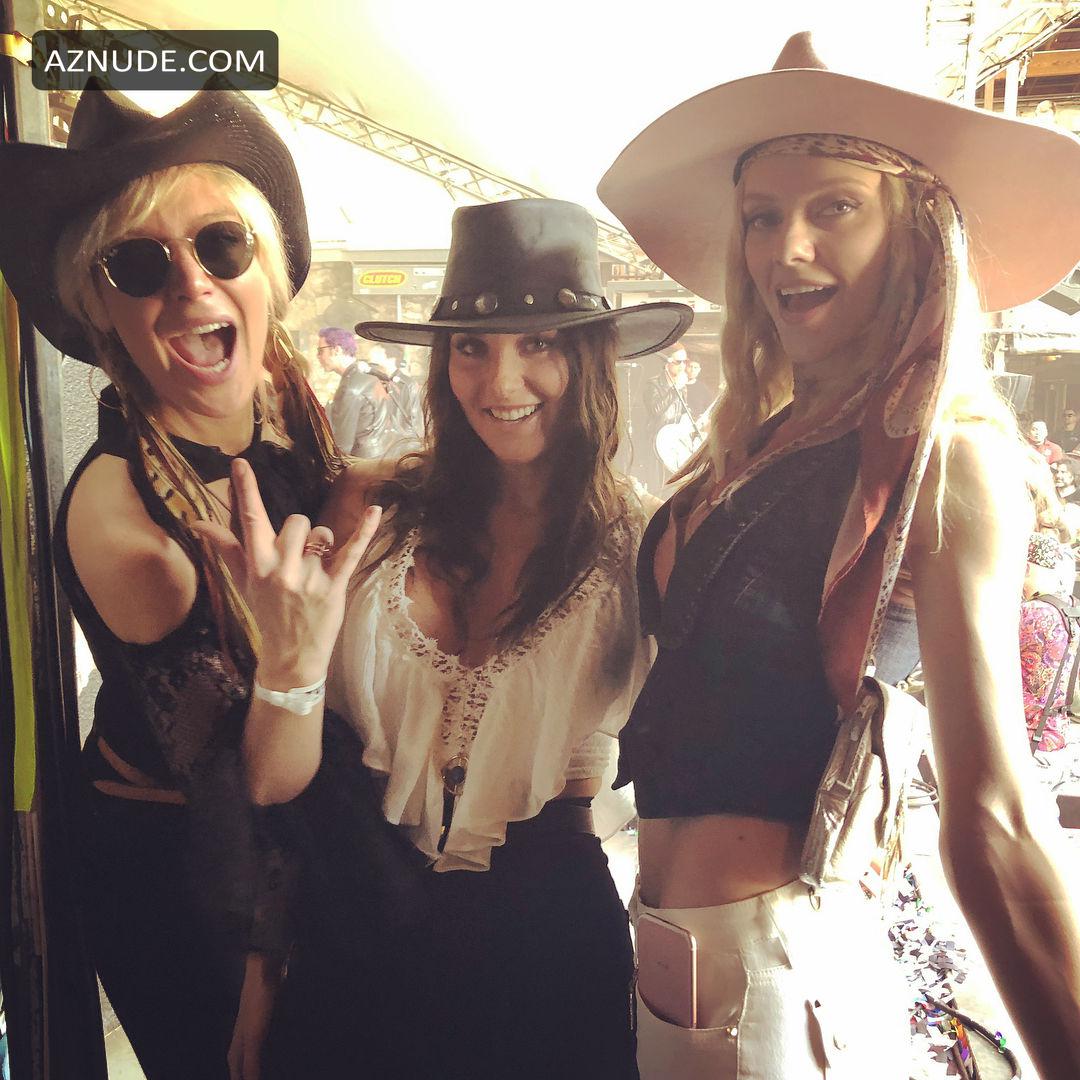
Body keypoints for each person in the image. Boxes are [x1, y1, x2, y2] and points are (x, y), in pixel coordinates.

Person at [598, 30, 1080, 1079]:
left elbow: (996, 815)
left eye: (836, 209)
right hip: (671, 971)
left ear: (915, 232)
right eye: (763, 217)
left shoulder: (948, 459)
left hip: (780, 987)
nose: (788, 249)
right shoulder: (759, 445)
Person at [204, 198, 692, 1079]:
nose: (501, 382)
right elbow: (276, 783)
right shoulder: (370, 507)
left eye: (539, 343)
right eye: (472, 347)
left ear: (590, 357)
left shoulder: (646, 544)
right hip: (354, 925)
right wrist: (290, 658)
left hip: (546, 956)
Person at [0, 81, 343, 1079]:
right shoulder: (135, 532)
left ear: (265, 267)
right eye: (139, 265)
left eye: (221, 245)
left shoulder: (275, 409)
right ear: (99, 307)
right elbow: (247, 801)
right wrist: (259, 1007)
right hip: (201, 893)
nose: (192, 284)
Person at [326, 332, 394, 458]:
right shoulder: (370, 380)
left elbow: (343, 443)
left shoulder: (352, 385)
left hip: (361, 458)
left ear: (336, 350)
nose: (318, 357)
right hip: (380, 453)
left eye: (321, 351)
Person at [366, 341, 425, 450]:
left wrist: (408, 446)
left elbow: (415, 421)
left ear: (391, 358)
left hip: (400, 446)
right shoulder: (373, 382)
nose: (371, 364)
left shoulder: (407, 384)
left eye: (376, 359)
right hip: (381, 445)